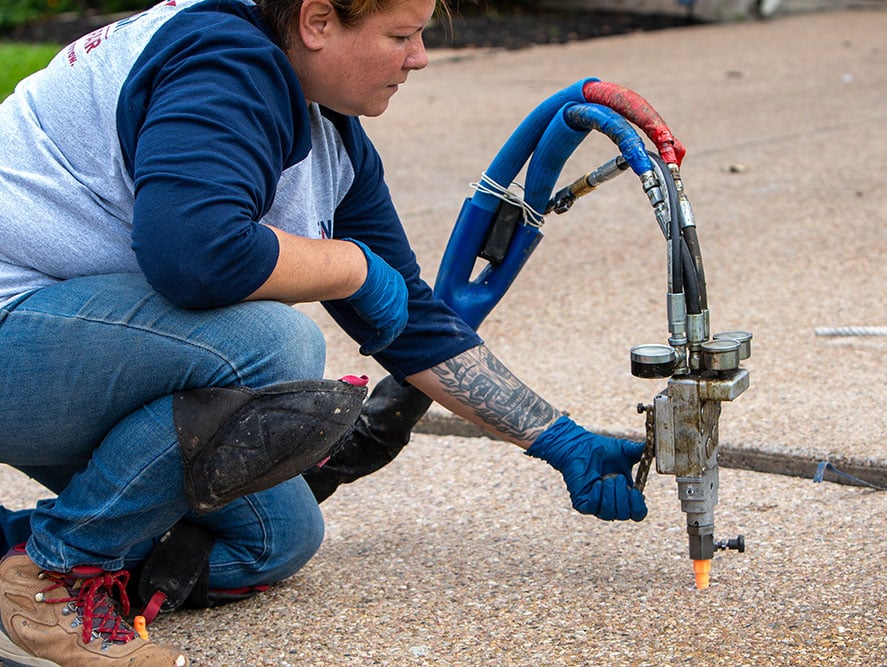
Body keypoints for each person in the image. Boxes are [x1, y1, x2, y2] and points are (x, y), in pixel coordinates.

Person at [0, 0, 648, 663]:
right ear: (316, 23)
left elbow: (412, 322)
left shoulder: (326, 127)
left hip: (63, 353)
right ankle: (51, 580)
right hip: (14, 336)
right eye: (400, 35)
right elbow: (192, 254)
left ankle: (21, 547)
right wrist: (351, 266)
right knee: (274, 348)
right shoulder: (224, 63)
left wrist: (558, 438)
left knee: (277, 534)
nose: (419, 56)